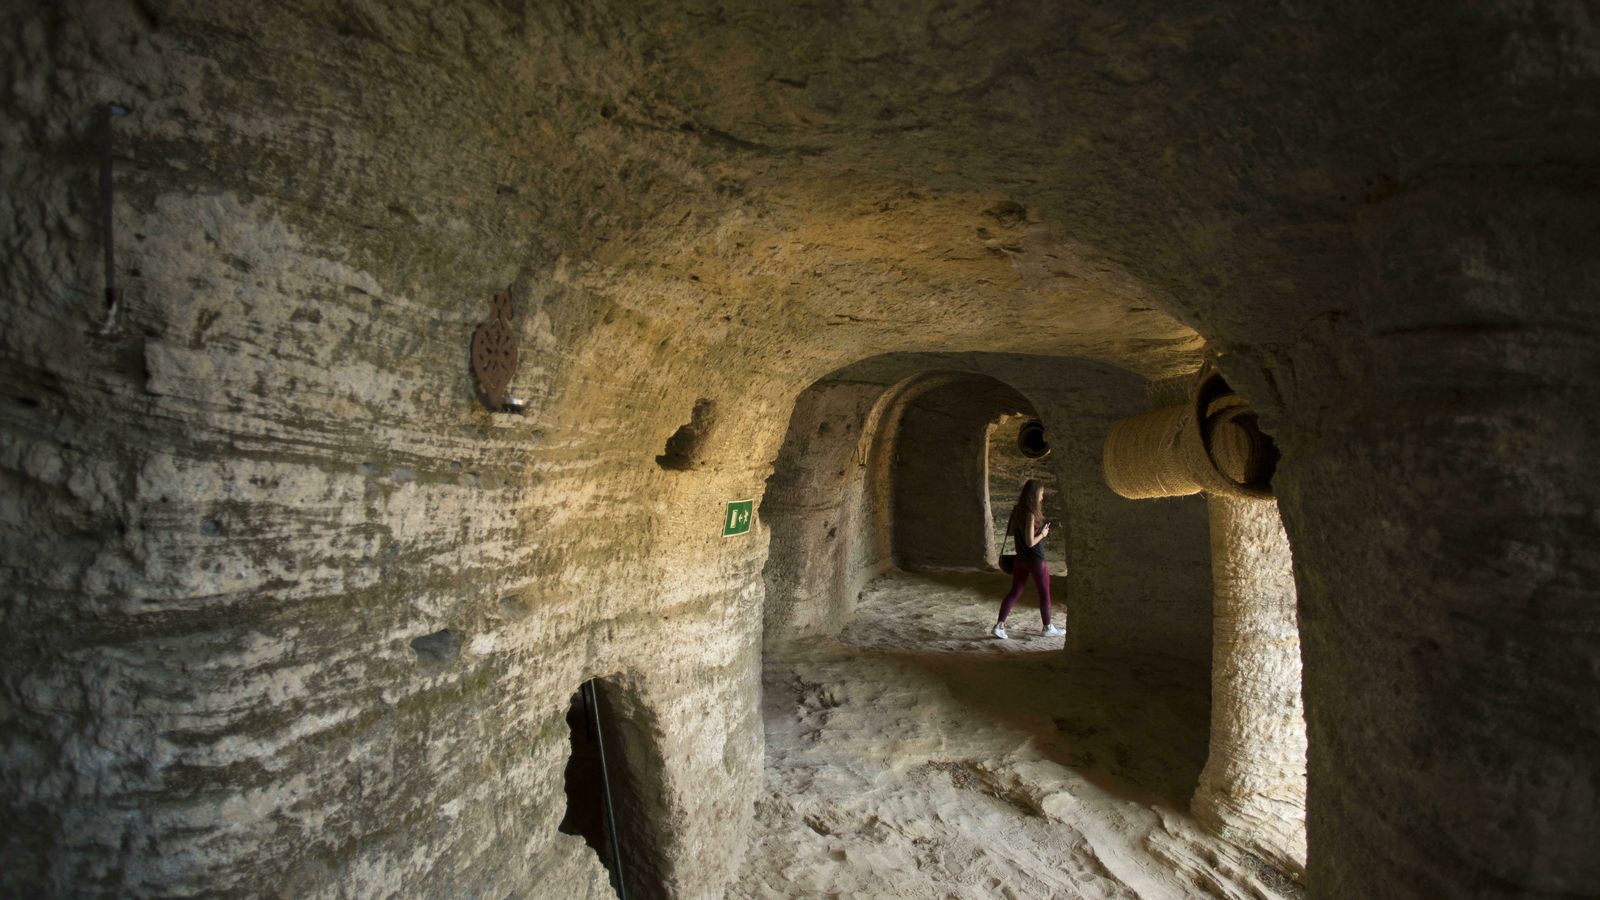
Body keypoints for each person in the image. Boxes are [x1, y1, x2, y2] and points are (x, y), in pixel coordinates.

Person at [993, 479, 1065, 639]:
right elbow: (1030, 542)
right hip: (1036, 560)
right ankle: (1048, 628)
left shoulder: (1017, 510)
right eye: (1041, 493)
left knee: (1015, 592)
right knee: (1045, 594)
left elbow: (1014, 533)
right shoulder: (1031, 514)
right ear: (1034, 495)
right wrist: (1043, 534)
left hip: (1020, 560)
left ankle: (999, 626)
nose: (1042, 497)